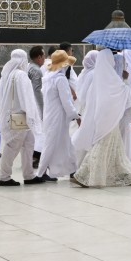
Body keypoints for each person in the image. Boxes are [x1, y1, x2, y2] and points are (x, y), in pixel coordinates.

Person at [70, 49, 131, 188]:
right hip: (110, 119)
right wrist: (125, 79)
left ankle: (125, 175)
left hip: (102, 119)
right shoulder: (113, 78)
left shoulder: (97, 77)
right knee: (108, 148)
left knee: (113, 149)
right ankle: (87, 176)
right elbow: (124, 94)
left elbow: (90, 100)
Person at [0, 49, 43, 186]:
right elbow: (26, 97)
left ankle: (29, 175)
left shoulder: (8, 74)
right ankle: (4, 177)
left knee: (29, 143)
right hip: (20, 115)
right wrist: (31, 113)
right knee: (13, 146)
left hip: (16, 114)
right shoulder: (20, 75)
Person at [36, 50, 79, 181]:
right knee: (50, 145)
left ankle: (74, 170)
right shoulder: (60, 80)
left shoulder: (48, 78)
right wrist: (76, 116)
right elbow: (66, 101)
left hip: (50, 115)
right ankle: (39, 173)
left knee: (67, 144)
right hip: (58, 117)